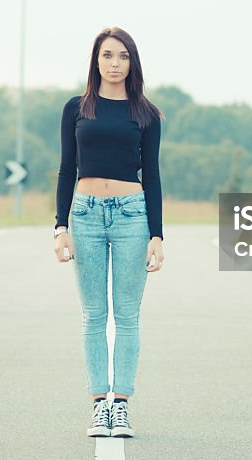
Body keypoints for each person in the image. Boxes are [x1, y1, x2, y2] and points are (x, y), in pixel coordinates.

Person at [54, 26, 165, 439]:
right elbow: (68, 168)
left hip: (132, 216)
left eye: (123, 56)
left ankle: (122, 406)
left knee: (128, 316)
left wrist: (157, 235)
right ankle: (99, 404)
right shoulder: (76, 108)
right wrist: (60, 226)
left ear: (132, 63)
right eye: (108, 55)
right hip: (84, 214)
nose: (115, 64)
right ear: (95, 60)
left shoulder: (146, 114)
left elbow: (152, 175)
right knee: (93, 315)